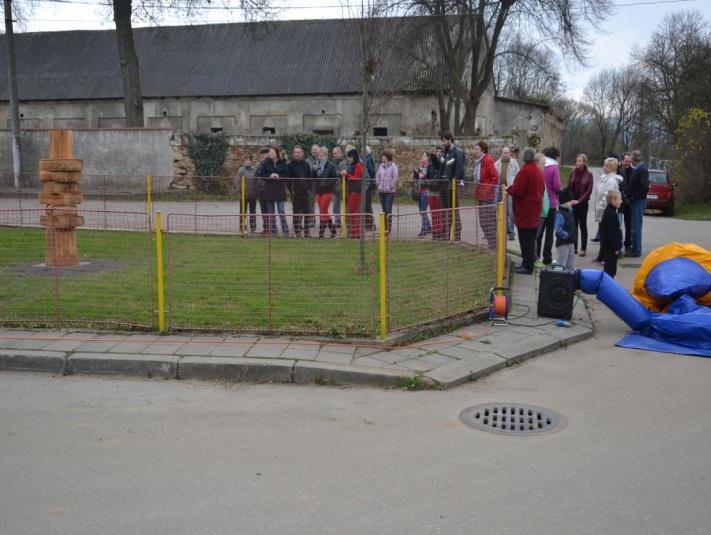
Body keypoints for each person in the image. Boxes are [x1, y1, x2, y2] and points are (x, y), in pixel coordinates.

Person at [506, 148, 545, 274]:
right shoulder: (536, 170)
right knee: (530, 238)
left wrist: (509, 189)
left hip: (526, 211)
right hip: (534, 209)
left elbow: (518, 190)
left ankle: (528, 266)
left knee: (526, 239)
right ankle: (527, 263)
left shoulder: (526, 171)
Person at [536, 147, 562, 265]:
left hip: (540, 203)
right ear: (556, 156)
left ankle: (536, 255)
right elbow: (556, 186)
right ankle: (547, 257)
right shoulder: (554, 168)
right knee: (549, 232)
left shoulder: (541, 165)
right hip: (551, 203)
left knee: (539, 232)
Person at [593, 157, 622, 263]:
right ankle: (601, 256)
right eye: (604, 165)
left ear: (612, 168)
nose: (604, 168)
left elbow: (606, 197)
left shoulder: (611, 181)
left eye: (606, 166)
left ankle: (604, 257)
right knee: (603, 235)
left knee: (606, 235)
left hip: (605, 211)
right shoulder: (604, 178)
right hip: (602, 211)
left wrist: (600, 209)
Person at [256, 147, 289, 236]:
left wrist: (279, 176)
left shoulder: (282, 163)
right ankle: (273, 231)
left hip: (280, 190)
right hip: (269, 190)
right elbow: (262, 174)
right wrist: (270, 175)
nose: (270, 153)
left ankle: (286, 231)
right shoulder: (265, 163)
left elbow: (286, 175)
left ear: (276, 153)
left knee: (281, 211)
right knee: (271, 212)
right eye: (270, 152)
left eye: (272, 152)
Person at [473, 140, 499, 250]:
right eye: (475, 149)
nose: (474, 151)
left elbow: (495, 177)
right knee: (487, 222)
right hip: (481, 194)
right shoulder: (479, 161)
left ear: (483, 150)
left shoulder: (488, 160)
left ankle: (493, 247)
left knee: (486, 222)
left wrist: (487, 190)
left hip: (487, 196)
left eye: (477, 149)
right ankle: (494, 245)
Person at [440, 132, 465, 240]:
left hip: (452, 186)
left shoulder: (458, 153)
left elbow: (459, 170)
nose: (443, 143)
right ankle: (447, 234)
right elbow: (442, 167)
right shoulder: (445, 153)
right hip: (443, 186)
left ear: (450, 139)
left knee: (454, 209)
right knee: (445, 210)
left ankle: (456, 234)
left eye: (445, 140)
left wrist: (453, 183)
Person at [567, 154, 593, 257]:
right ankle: (574, 247)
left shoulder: (589, 174)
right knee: (573, 226)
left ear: (584, 163)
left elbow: (589, 190)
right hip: (573, 203)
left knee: (582, 226)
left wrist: (579, 200)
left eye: (580, 161)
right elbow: (568, 187)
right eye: (577, 161)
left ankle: (583, 248)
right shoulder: (572, 173)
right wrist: (569, 199)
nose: (577, 163)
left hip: (582, 203)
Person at [624, 150, 649, 257]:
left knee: (636, 226)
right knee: (634, 226)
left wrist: (633, 195)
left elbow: (644, 187)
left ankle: (636, 250)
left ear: (634, 159)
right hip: (635, 200)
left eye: (631, 159)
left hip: (638, 201)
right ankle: (635, 248)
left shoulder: (642, 169)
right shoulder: (639, 169)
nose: (631, 162)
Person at [287, 145, 314, 238]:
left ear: (302, 153)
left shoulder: (306, 164)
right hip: (295, 193)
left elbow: (309, 178)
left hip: (305, 192)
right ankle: (297, 233)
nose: (296, 154)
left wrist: (309, 189)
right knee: (296, 213)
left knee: (307, 213)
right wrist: (291, 190)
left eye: (298, 152)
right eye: (295, 152)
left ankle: (307, 232)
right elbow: (288, 180)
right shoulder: (290, 165)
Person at [495, 146, 520, 240]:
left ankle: (511, 232)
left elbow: (519, 175)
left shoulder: (514, 163)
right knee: (501, 211)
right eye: (504, 152)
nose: (506, 154)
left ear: (510, 153)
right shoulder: (496, 164)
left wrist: (515, 188)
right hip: (499, 191)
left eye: (507, 152)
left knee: (510, 212)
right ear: (501, 153)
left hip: (510, 190)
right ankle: (503, 231)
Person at [314, 146, 339, 238]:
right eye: (319, 156)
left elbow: (335, 177)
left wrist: (327, 184)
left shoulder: (330, 165)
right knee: (323, 211)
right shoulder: (316, 165)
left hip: (327, 191)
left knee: (323, 210)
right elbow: (314, 177)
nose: (319, 157)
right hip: (319, 190)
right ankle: (333, 229)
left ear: (325, 155)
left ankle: (321, 231)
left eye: (321, 156)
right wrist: (314, 170)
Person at [599, 189, 623, 278]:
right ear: (613, 200)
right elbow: (611, 234)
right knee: (610, 271)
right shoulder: (611, 214)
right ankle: (607, 288)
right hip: (610, 249)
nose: (621, 201)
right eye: (619, 199)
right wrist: (616, 248)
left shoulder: (610, 211)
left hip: (609, 248)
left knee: (610, 270)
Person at [342, 148, 364, 239]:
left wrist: (346, 174)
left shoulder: (358, 165)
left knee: (354, 212)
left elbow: (356, 178)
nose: (348, 159)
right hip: (351, 190)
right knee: (352, 212)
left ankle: (357, 232)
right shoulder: (351, 165)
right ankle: (354, 232)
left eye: (350, 157)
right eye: (348, 157)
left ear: (353, 157)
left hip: (356, 191)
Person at [375, 149, 399, 234]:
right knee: (384, 209)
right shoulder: (381, 166)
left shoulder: (393, 166)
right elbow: (377, 175)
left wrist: (391, 185)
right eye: (382, 156)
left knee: (388, 209)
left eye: (383, 156)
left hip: (390, 192)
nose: (382, 157)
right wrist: (378, 183)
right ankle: (385, 227)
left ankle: (389, 227)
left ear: (387, 157)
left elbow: (395, 176)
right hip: (382, 191)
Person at [554, 188, 577, 270]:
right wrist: (566, 235)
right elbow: (557, 230)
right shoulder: (560, 215)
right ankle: (557, 280)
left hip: (570, 242)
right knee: (561, 263)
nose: (572, 202)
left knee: (570, 264)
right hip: (563, 243)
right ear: (565, 202)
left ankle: (571, 278)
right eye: (570, 201)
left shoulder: (569, 211)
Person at [427, 146, 446, 240]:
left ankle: (439, 231)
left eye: (440, 152)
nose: (438, 153)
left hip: (438, 190)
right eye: (437, 151)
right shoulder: (430, 163)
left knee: (438, 212)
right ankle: (434, 231)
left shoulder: (442, 162)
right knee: (433, 212)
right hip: (430, 189)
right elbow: (427, 175)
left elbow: (442, 171)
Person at [236, 156, 258, 233]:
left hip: (253, 195)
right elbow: (238, 181)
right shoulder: (241, 170)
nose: (247, 161)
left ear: (251, 161)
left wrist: (256, 191)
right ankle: (242, 227)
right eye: (246, 160)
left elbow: (257, 181)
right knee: (242, 212)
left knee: (252, 212)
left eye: (249, 160)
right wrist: (240, 191)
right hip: (243, 195)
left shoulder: (255, 170)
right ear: (244, 161)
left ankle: (253, 228)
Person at [413, 153, 432, 237]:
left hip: (426, 191)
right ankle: (428, 227)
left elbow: (426, 176)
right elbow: (416, 178)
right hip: (420, 190)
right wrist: (416, 173)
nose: (422, 157)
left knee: (423, 210)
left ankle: (423, 229)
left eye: (424, 155)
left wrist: (420, 174)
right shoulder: (421, 166)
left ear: (428, 158)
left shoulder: (429, 167)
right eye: (422, 155)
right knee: (421, 210)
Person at [618, 152, 633, 254]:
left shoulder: (633, 171)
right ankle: (618, 246)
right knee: (618, 224)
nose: (627, 163)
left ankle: (628, 245)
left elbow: (633, 185)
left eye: (629, 161)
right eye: (626, 161)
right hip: (618, 201)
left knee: (629, 225)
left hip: (629, 201)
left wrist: (627, 193)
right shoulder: (618, 170)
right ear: (622, 160)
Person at [331, 146, 347, 228]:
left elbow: (344, 173)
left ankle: (347, 221)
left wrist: (338, 173)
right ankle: (337, 221)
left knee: (346, 205)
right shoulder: (332, 162)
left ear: (340, 153)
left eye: (335, 153)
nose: (334, 155)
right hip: (334, 187)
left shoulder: (344, 162)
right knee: (335, 205)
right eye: (333, 153)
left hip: (344, 187)